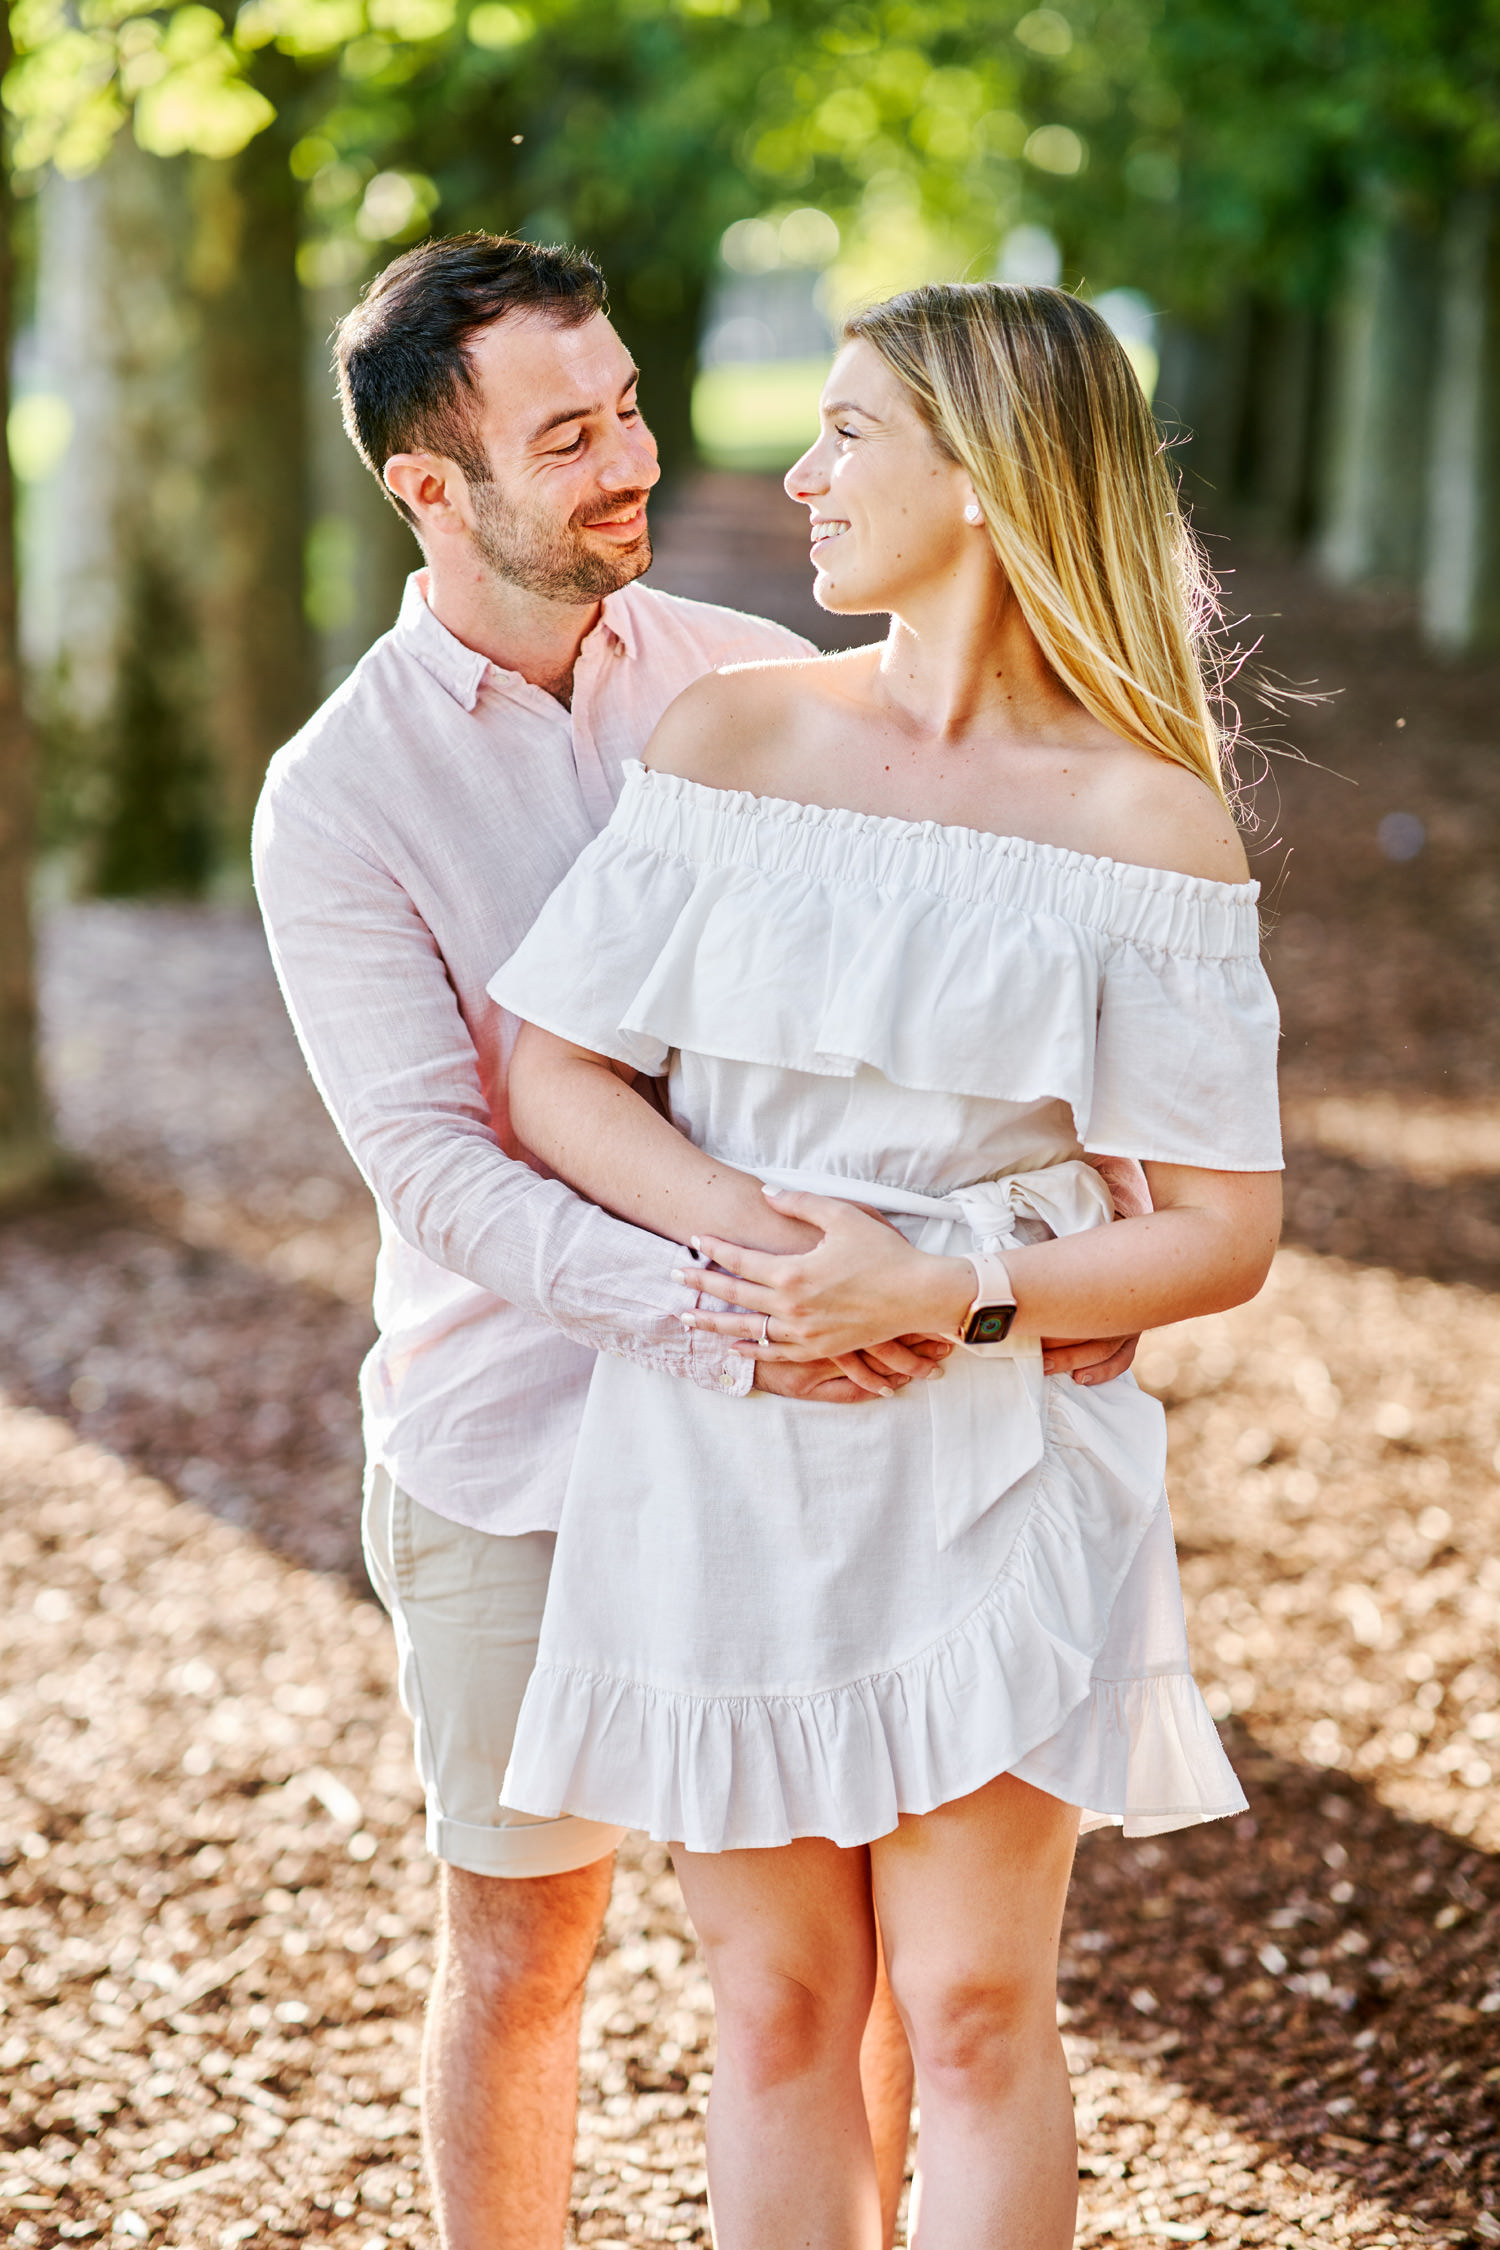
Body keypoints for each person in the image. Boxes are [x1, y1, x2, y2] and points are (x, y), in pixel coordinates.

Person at [252, 235, 1139, 2250]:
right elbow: (442, 1171)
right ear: (428, 485)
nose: (628, 458)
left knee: (859, 1958)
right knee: (529, 1948)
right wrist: (750, 1311)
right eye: (566, 437)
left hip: (836, 1434)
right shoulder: (340, 801)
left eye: (630, 404)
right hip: (524, 1443)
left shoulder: (763, 681)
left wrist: (1076, 1238)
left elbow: (978, 1007)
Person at [486, 282, 1285, 2248]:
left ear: (994, 480)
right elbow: (553, 1073)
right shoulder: (738, 738)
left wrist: (946, 1296)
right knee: (772, 2013)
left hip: (990, 1452)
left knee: (979, 2011)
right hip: (723, 1431)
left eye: (851, 433)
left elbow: (1226, 1230)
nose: (797, 471)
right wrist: (777, 1266)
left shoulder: (1147, 824)